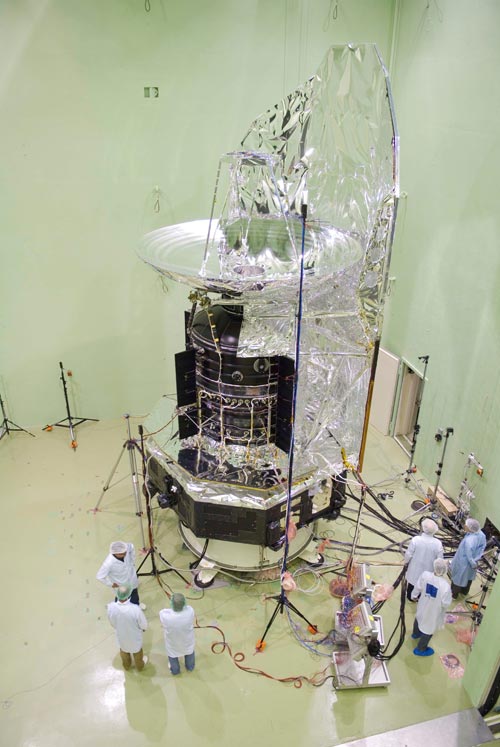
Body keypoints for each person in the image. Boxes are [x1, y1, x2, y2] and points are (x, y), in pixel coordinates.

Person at [411, 558, 452, 657]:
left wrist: (414, 595)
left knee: (419, 617)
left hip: (423, 604)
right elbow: (445, 603)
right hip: (433, 611)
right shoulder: (445, 586)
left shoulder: (425, 575)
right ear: (445, 570)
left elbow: (417, 587)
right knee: (428, 629)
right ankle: (421, 649)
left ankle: (415, 634)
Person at [107, 584, 148, 670]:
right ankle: (140, 666)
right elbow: (143, 624)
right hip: (134, 637)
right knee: (137, 652)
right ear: (128, 595)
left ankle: (126, 666)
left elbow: (112, 622)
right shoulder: (135, 609)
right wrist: (143, 628)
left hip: (121, 635)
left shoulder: (111, 607)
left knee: (124, 650)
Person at [96, 541, 146, 608]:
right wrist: (111, 584)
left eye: (125, 553)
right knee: (122, 599)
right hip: (121, 584)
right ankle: (120, 610)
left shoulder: (125, 548)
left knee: (134, 593)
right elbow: (99, 576)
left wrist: (132, 560)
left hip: (132, 578)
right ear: (115, 553)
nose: (125, 554)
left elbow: (131, 546)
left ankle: (136, 605)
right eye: (122, 554)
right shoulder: (109, 563)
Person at [404, 518, 444, 601]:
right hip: (429, 570)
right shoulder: (438, 543)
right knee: (424, 585)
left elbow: (408, 554)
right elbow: (440, 560)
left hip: (414, 568)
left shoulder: (416, 540)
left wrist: (406, 562)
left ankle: (410, 597)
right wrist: (438, 572)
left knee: (412, 584)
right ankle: (419, 597)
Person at [159, 593, 195, 675]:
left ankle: (175, 671)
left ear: (171, 603)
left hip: (173, 642)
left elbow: (161, 612)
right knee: (189, 652)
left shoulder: (166, 616)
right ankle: (190, 667)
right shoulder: (190, 611)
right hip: (187, 641)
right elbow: (188, 608)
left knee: (173, 655)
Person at [450, 518, 487, 598]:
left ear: (470, 528)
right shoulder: (481, 534)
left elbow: (468, 554)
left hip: (464, 561)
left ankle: (454, 594)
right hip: (474, 560)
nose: (464, 526)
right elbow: (482, 547)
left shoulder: (469, 541)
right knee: (468, 578)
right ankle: (464, 592)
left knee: (458, 578)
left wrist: (472, 562)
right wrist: (475, 560)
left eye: (466, 525)